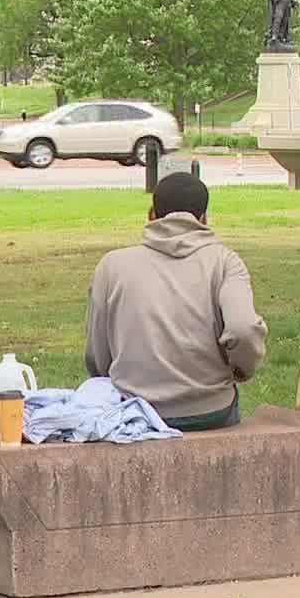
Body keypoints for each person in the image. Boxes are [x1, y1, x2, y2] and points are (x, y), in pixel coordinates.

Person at [83, 173, 268, 431]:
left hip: (134, 409)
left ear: (151, 215)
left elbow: (97, 354)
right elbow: (243, 328)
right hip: (211, 409)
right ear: (203, 219)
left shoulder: (112, 266)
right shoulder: (225, 262)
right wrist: (241, 368)